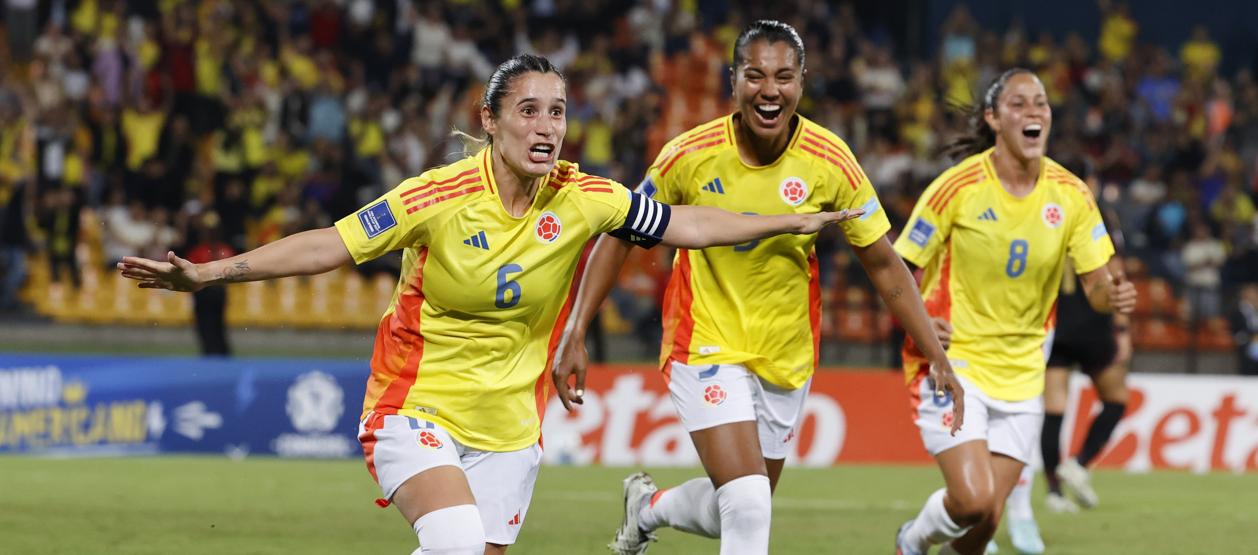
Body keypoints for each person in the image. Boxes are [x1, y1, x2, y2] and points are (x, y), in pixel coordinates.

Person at [118, 54, 863, 555]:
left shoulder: (583, 197)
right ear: (490, 120)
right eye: (529, 111)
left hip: (510, 429)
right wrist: (209, 276)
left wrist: (784, 221)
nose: (547, 126)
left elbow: (686, 224)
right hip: (416, 407)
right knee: (454, 544)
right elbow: (330, 245)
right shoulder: (436, 197)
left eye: (558, 112)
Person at [550, 21, 965, 555]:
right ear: (733, 81)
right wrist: (576, 328)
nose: (770, 90)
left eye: (783, 77)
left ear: (802, 82)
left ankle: (648, 509)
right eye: (755, 76)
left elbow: (883, 264)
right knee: (747, 504)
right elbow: (621, 235)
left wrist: (935, 353)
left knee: (743, 503)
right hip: (704, 341)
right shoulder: (688, 155)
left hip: (785, 354)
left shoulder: (831, 161)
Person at [891, 68, 1136, 555]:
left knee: (984, 522)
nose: (1033, 112)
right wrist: (917, 321)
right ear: (993, 118)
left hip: (1024, 375)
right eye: (1019, 104)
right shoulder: (957, 187)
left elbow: (1096, 286)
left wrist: (1113, 297)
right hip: (954, 363)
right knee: (971, 500)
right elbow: (896, 269)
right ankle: (912, 542)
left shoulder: (1071, 194)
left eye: (1040, 103)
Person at [996, 164, 1132, 555]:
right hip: (1093, 322)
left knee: (1054, 407)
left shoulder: (1038, 205)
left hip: (1054, 321)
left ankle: (1054, 489)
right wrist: (1122, 329)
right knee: (1116, 398)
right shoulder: (1098, 214)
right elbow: (1115, 272)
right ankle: (1080, 463)